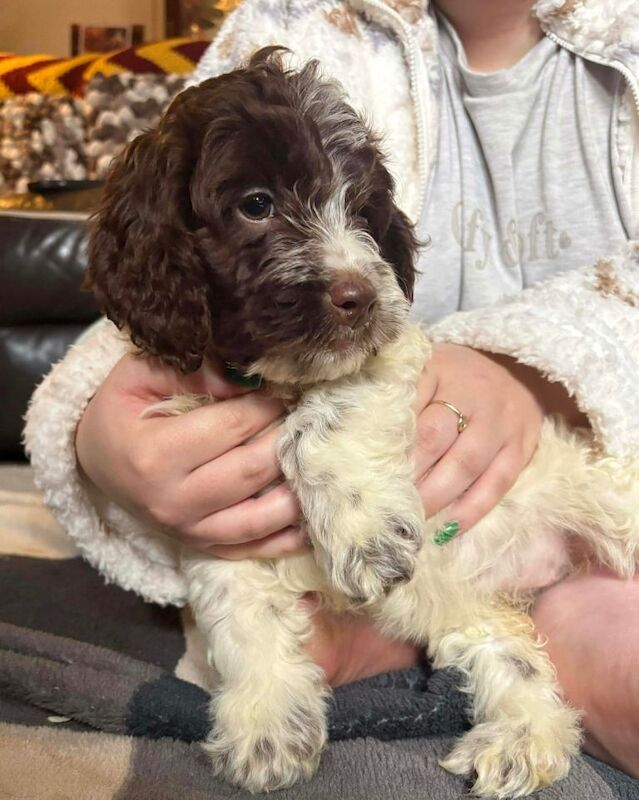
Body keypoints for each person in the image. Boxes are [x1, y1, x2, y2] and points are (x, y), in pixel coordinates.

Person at [25, 0, 639, 779]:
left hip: (572, 466)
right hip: (409, 527)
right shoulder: (294, 18)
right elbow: (142, 308)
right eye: (257, 208)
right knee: (240, 563)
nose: (347, 267)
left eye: (359, 212)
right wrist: (96, 436)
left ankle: (437, 631)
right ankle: (416, 639)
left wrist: (527, 367)